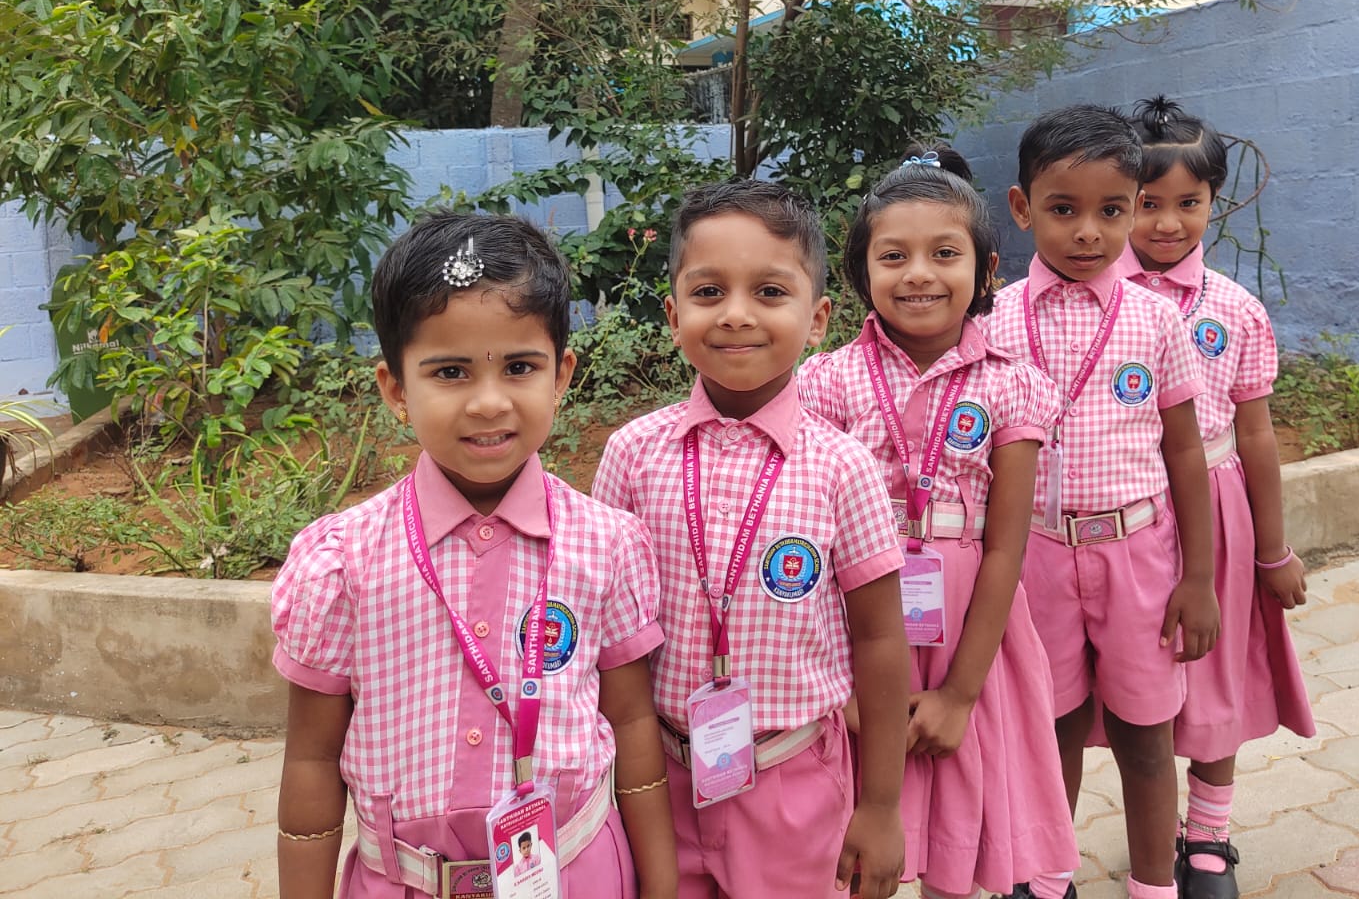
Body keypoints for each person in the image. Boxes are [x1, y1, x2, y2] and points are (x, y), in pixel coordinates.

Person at [272, 212, 677, 899]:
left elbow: (634, 725)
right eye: (451, 372)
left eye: (520, 367)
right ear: (396, 389)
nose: (489, 403)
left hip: (576, 874)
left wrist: (661, 887)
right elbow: (312, 760)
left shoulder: (607, 544)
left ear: (562, 374)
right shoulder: (341, 564)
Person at [590, 179, 910, 899]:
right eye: (708, 293)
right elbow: (605, 636)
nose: (736, 315)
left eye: (769, 292)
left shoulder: (843, 467)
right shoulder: (633, 456)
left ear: (818, 316)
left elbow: (881, 642)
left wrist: (882, 807)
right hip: (655, 779)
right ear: (673, 316)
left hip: (794, 782)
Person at [796, 147, 1079, 899]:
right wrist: (839, 686)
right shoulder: (824, 381)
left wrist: (960, 692)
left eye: (944, 253)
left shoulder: (1014, 386)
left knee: (959, 810)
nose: (918, 272)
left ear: (986, 271)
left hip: (969, 635)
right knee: (858, 833)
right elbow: (814, 539)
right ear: (861, 273)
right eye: (894, 256)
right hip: (855, 624)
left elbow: (1006, 548)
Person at [982, 106, 1221, 899]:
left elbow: (1184, 450)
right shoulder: (994, 322)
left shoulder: (1156, 319)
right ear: (1022, 209)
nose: (1089, 233)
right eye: (1063, 210)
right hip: (1035, 559)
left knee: (1146, 737)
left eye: (1111, 211)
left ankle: (1156, 884)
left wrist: (1199, 578)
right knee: (1050, 736)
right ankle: (1049, 880)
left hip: (1139, 558)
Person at [1123, 97, 1315, 899]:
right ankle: (1155, 825)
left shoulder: (1234, 310)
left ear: (1215, 201)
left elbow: (1258, 435)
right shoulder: (1094, 305)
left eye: (1187, 203)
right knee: (1141, 684)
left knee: (1217, 675)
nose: (1168, 223)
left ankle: (1206, 839)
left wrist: (1274, 550)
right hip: (1128, 520)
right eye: (1147, 202)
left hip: (1223, 516)